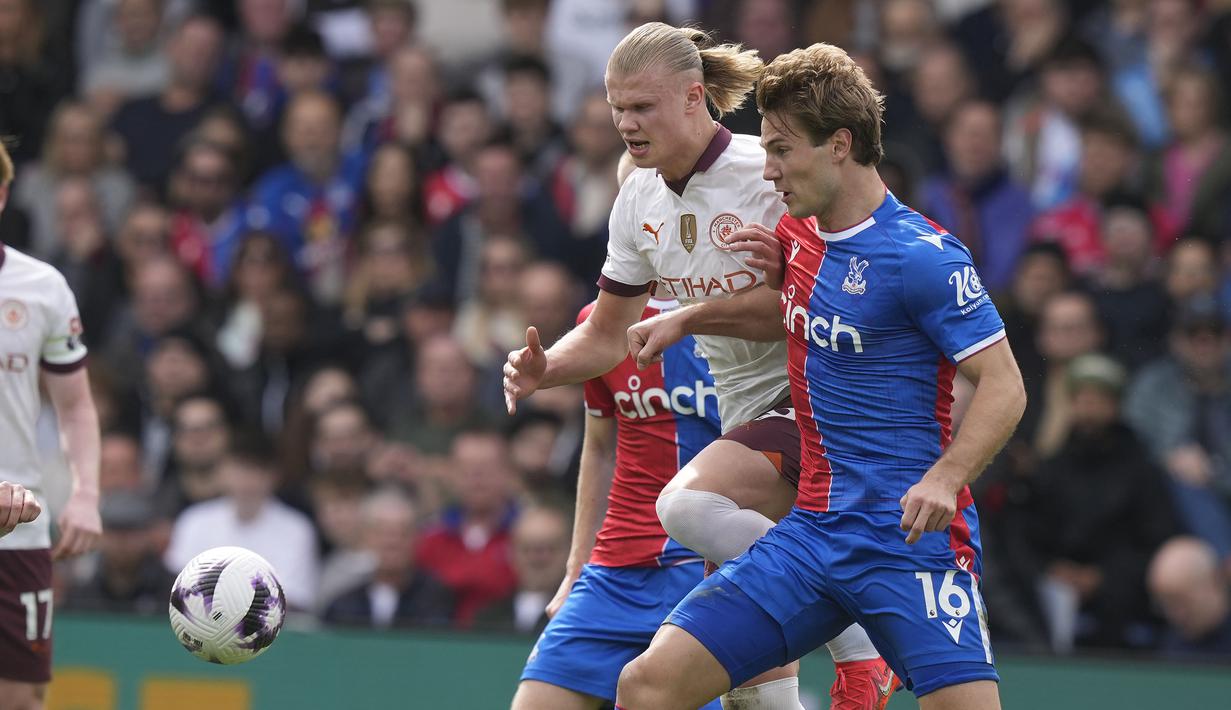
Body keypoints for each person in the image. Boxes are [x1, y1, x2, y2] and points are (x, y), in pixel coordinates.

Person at [617, 43, 1025, 709]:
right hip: (812, 534)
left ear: (839, 144)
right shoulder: (798, 235)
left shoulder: (922, 257)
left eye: (781, 150)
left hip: (906, 545)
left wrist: (947, 477)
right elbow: (781, 287)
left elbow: (1003, 383)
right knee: (645, 686)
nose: (768, 170)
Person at [502, 22, 892, 710]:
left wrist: (687, 316)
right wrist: (546, 369)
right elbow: (606, 334)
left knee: (684, 506)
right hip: (747, 424)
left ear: (692, 98)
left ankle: (858, 639)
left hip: (822, 401)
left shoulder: (766, 171)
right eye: (615, 107)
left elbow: (814, 304)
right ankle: (849, 635)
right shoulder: (637, 201)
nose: (624, 122)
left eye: (641, 106)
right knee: (748, 680)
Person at [511, 292, 723, 709]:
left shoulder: (736, 318)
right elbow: (599, 449)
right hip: (615, 570)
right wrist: (576, 566)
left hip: (708, 571)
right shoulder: (601, 322)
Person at [0, 142, 103, 710]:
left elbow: (76, 406)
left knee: (20, 699)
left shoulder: (41, 287)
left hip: (18, 528)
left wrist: (86, 494)